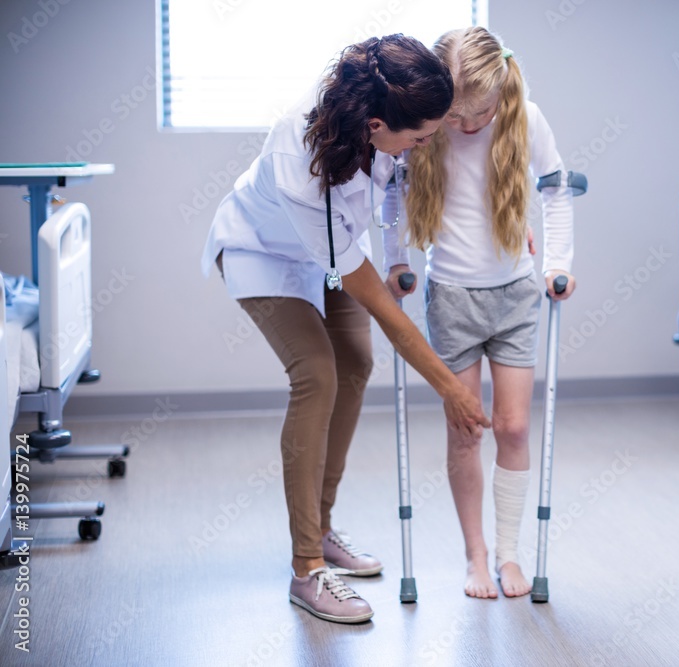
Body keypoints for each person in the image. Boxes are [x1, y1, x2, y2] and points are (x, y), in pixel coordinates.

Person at [200, 34, 490, 624]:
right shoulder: (301, 159)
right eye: (418, 137)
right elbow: (390, 316)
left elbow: (389, 193)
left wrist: (400, 256)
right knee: (318, 375)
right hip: (263, 252)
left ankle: (323, 525)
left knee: (355, 365)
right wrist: (452, 390)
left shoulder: (380, 102)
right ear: (379, 124)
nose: (424, 145)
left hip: (328, 248)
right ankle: (307, 568)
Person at [382, 26, 575, 599]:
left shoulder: (525, 118)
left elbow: (556, 187)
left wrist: (557, 259)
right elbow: (393, 191)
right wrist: (396, 261)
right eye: (455, 116)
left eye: (478, 115)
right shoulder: (429, 125)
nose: (465, 127)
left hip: (515, 292)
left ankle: (510, 556)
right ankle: (475, 556)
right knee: (466, 433)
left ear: (500, 92)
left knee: (513, 427)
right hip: (453, 296)